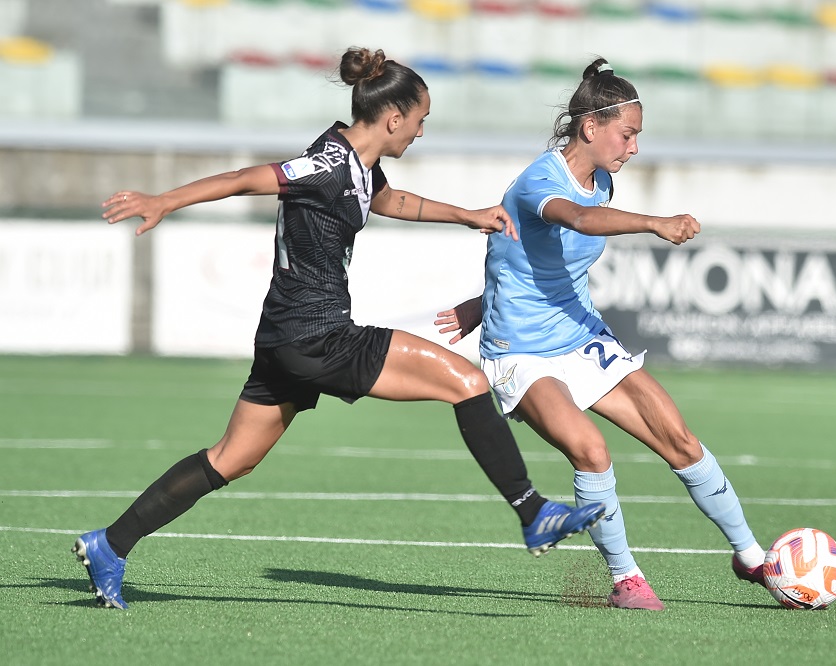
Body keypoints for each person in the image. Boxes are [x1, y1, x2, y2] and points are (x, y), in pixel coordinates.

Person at [72, 47, 605, 610]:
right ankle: (531, 511)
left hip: (285, 339)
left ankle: (110, 545)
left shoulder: (358, 163)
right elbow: (246, 178)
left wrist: (468, 215)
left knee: (232, 457)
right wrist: (164, 200)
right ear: (394, 116)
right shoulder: (327, 162)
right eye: (421, 120)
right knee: (467, 382)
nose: (421, 132)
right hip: (317, 335)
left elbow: (389, 199)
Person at [434, 58, 767, 611]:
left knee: (678, 438)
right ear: (591, 127)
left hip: (581, 335)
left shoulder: (604, 179)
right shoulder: (541, 179)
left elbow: (541, 256)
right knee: (591, 451)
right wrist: (656, 222)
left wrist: (479, 301)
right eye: (628, 134)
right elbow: (578, 223)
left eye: (638, 136)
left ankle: (753, 556)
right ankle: (626, 579)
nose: (633, 148)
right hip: (521, 353)